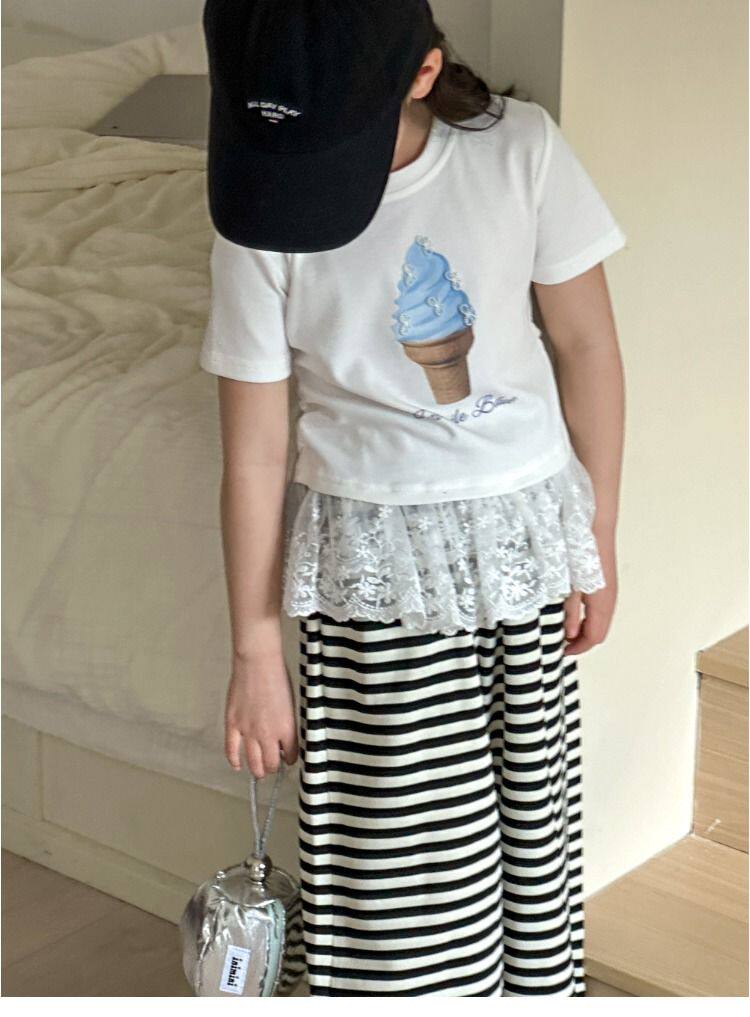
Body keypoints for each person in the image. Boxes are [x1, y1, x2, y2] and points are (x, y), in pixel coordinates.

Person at [199, 0, 626, 998]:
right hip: (376, 575)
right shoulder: (259, 209)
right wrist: (255, 651)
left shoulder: (518, 151)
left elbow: (588, 347)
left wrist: (597, 536)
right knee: (397, 878)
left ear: (424, 72)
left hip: (524, 551)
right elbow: (254, 449)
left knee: (533, 841)